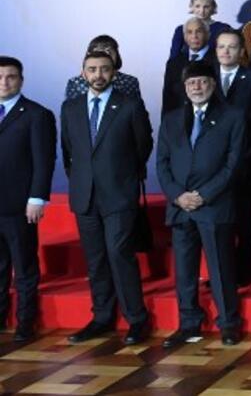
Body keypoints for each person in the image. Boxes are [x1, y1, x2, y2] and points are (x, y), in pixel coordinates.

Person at [60, 51, 153, 345]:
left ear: (113, 72)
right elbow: (68, 150)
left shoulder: (130, 105)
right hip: (84, 196)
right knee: (96, 259)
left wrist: (124, 176)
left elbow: (143, 145)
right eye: (92, 69)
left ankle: (136, 319)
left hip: (119, 195)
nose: (98, 75)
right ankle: (102, 317)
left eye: (104, 69)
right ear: (83, 73)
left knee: (118, 253)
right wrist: (81, 180)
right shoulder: (71, 107)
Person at [155, 61, 244, 347]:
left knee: (220, 268)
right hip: (180, 207)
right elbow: (162, 164)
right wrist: (178, 196)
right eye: (191, 83)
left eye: (202, 81)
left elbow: (233, 164)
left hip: (214, 206)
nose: (197, 87)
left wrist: (204, 195)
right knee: (184, 271)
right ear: (184, 87)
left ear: (213, 85)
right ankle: (189, 324)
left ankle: (228, 324)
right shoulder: (171, 119)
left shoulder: (232, 116)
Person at [0, 56, 56, 342]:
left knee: (23, 267)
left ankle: (25, 322)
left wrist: (37, 198)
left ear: (21, 80)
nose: (4, 82)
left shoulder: (37, 114)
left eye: (10, 76)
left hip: (20, 205)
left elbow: (43, 161)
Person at [212, 29, 251, 285]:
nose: (226, 51)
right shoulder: (206, 79)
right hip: (212, 164)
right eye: (221, 46)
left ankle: (246, 271)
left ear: (241, 51)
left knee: (244, 219)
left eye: (232, 47)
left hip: (245, 162)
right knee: (218, 221)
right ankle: (222, 273)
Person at [162, 17, 218, 113]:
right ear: (184, 36)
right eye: (189, 32)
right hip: (180, 119)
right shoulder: (174, 63)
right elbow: (167, 98)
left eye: (199, 32)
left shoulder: (219, 60)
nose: (194, 36)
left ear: (208, 35)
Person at [64, 35, 142, 101]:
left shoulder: (129, 81)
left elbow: (137, 110)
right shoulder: (76, 83)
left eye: (109, 52)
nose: (104, 57)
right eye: (98, 53)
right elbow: (71, 110)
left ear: (117, 55)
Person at [168, 0, 232, 58]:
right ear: (192, 7)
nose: (202, 11)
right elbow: (173, 58)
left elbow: (229, 55)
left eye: (206, 7)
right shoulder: (181, 30)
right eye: (197, 6)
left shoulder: (223, 29)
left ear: (213, 7)